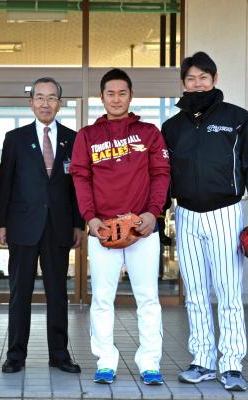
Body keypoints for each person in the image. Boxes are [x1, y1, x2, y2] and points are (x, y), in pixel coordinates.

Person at [161, 51, 248, 391]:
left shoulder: (238, 119)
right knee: (194, 294)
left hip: (225, 213)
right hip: (186, 215)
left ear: (214, 79)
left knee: (228, 292)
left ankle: (232, 363)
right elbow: (162, 174)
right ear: (183, 83)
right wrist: (162, 211)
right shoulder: (172, 126)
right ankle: (202, 360)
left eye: (203, 78)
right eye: (191, 78)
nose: (197, 84)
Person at [70, 69, 170, 385]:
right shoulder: (87, 136)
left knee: (148, 298)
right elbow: (80, 178)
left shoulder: (150, 133)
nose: (116, 98)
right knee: (101, 298)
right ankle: (105, 361)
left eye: (122, 92)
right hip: (104, 230)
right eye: (110, 93)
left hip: (142, 228)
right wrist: (91, 219)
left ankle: (150, 362)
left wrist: (154, 213)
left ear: (130, 96)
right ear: (102, 98)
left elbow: (161, 174)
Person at [0, 77, 85, 374]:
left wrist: (77, 223)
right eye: (40, 98)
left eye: (51, 98)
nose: (45, 103)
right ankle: (15, 355)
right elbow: (5, 182)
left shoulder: (73, 139)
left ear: (60, 102)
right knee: (19, 292)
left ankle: (59, 355)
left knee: (57, 292)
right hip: (22, 224)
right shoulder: (15, 138)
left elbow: (77, 186)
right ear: (31, 102)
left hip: (59, 226)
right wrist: (1, 222)